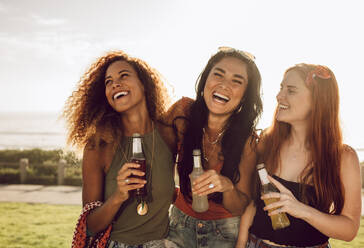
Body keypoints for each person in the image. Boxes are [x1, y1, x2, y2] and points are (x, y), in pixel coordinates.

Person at [237, 63, 361, 248]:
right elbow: (250, 202)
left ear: (317, 100)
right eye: (281, 88)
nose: (279, 96)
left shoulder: (344, 157)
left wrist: (301, 210)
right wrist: (241, 242)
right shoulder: (266, 142)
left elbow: (350, 229)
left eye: (291, 90)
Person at [64, 50, 176, 248]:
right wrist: (118, 196)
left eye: (124, 75)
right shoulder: (98, 145)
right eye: (108, 81)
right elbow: (90, 225)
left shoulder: (169, 134)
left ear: (144, 83)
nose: (115, 84)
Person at [165, 47, 263, 248]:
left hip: (224, 233)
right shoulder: (182, 113)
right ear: (205, 82)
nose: (224, 85)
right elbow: (155, 158)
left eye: (237, 81)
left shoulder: (248, 141)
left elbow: (240, 206)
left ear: (245, 95)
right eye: (218, 74)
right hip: (179, 225)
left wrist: (227, 186)